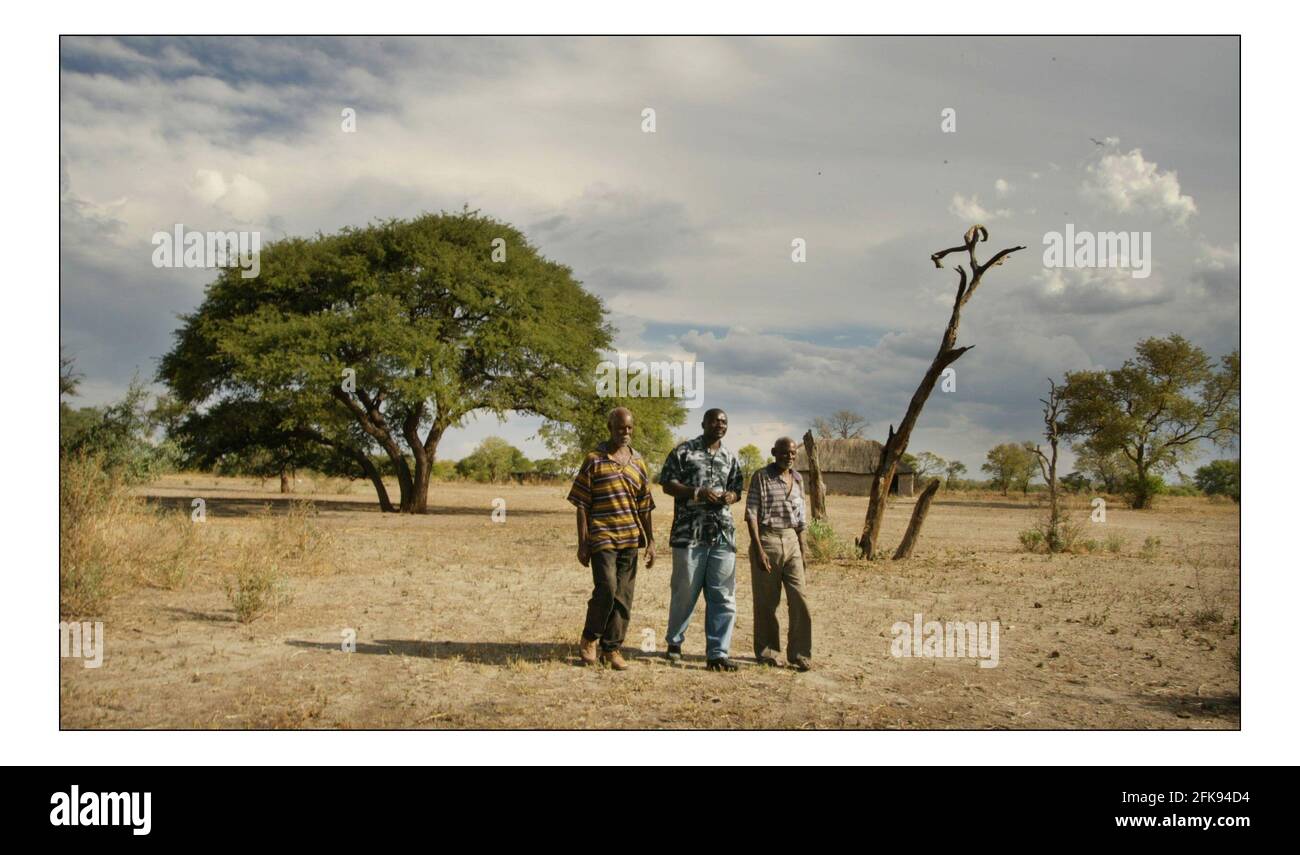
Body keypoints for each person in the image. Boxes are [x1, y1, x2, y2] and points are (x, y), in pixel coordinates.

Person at [567, 407, 656, 670]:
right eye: (620, 428)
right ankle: (590, 638)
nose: (625, 433)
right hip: (602, 536)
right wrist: (583, 542)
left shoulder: (638, 462)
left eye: (629, 428)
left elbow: (645, 506)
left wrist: (650, 541)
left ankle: (612, 648)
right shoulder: (594, 459)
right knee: (606, 588)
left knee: (624, 597)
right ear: (610, 428)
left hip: (630, 538)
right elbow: (581, 503)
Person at [658, 408, 744, 671]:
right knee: (684, 592)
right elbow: (667, 483)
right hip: (689, 534)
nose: (720, 425)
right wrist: (697, 492)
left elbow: (737, 488)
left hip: (722, 534)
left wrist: (731, 496)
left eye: (724, 422)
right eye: (715, 420)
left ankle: (718, 653)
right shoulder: (684, 451)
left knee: (723, 595)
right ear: (704, 423)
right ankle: (674, 644)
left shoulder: (730, 456)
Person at [744, 437, 812, 671]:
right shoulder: (761, 476)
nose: (789, 457)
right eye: (784, 453)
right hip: (768, 539)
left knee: (799, 599)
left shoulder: (798, 478)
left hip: (792, 539)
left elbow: (801, 517)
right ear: (774, 452)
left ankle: (800, 654)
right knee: (766, 602)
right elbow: (751, 514)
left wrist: (803, 548)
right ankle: (768, 652)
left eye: (792, 453)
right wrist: (759, 549)